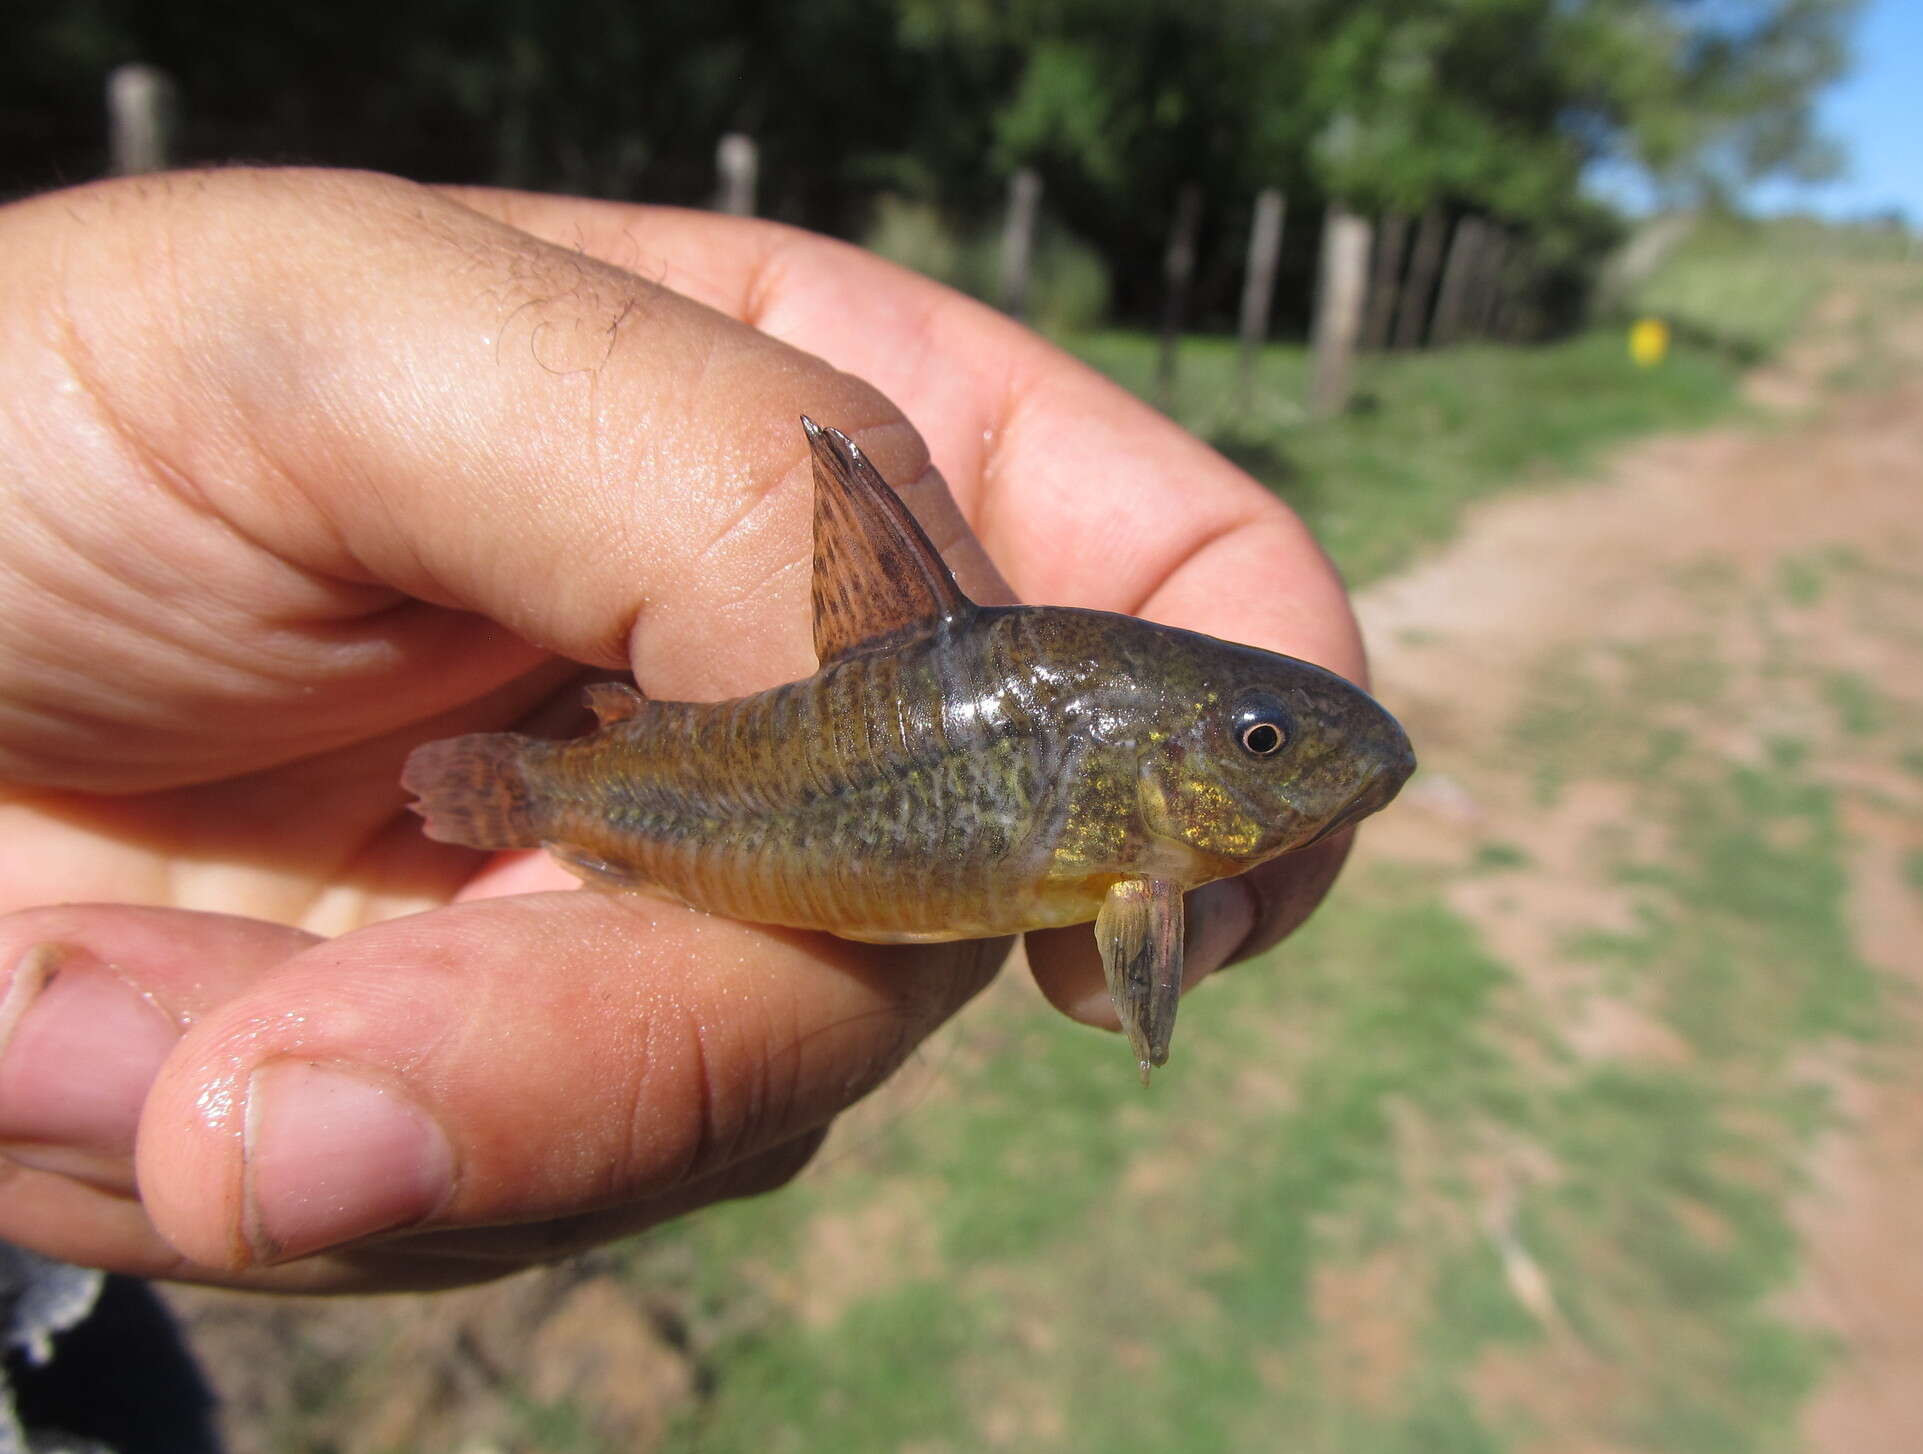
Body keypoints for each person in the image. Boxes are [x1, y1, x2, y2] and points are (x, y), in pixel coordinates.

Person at [0, 168, 1371, 1296]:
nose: (1301, 773)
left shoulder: (1131, 875)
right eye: (1260, 743)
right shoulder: (1100, 837)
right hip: (637, 783)